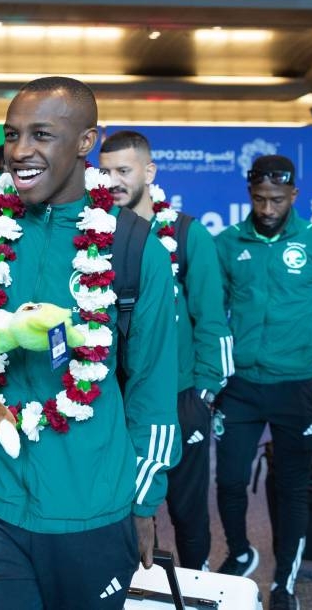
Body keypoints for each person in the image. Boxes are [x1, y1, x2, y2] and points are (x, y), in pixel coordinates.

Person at [0, 77, 179, 609]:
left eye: (41, 134)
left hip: (92, 506)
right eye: (12, 135)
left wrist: (145, 502)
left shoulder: (134, 247)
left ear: (86, 142)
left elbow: (153, 387)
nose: (19, 152)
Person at [214, 155, 312, 610]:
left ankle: (285, 582)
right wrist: (215, 371)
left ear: (293, 196)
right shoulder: (227, 244)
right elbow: (211, 315)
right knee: (229, 481)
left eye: (276, 200)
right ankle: (241, 553)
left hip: (297, 387)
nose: (266, 208)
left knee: (292, 488)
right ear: (249, 194)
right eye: (259, 199)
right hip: (239, 387)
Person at [99, 130, 233, 571]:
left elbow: (213, 321)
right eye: (104, 171)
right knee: (123, 505)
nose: (113, 180)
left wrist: (204, 395)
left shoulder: (186, 233)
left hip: (181, 397)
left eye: (124, 170)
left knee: (187, 510)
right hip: (118, 398)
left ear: (149, 172)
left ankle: (196, 579)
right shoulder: (97, 233)